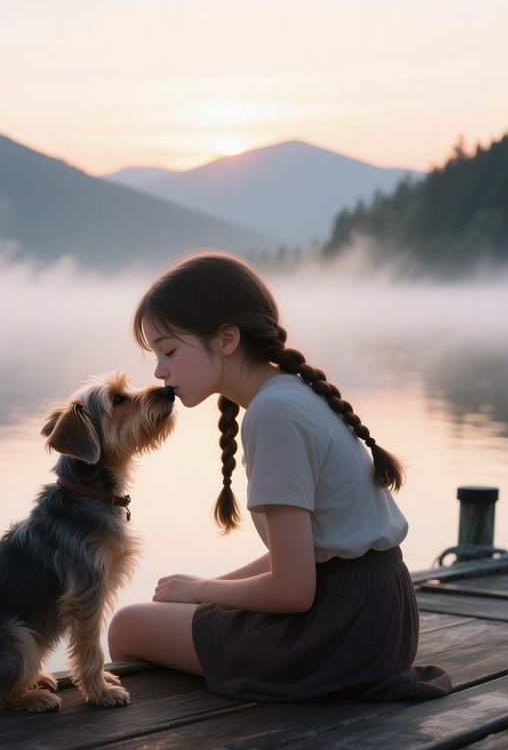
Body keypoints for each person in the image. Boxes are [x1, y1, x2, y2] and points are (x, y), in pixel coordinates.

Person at [108, 252, 450, 702]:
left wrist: (202, 589)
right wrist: (205, 594)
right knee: (170, 611)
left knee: (128, 625)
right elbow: (311, 555)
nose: (160, 371)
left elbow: (293, 590)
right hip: (377, 620)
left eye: (169, 350)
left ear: (227, 338)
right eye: (156, 355)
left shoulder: (272, 415)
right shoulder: (292, 394)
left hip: (336, 632)